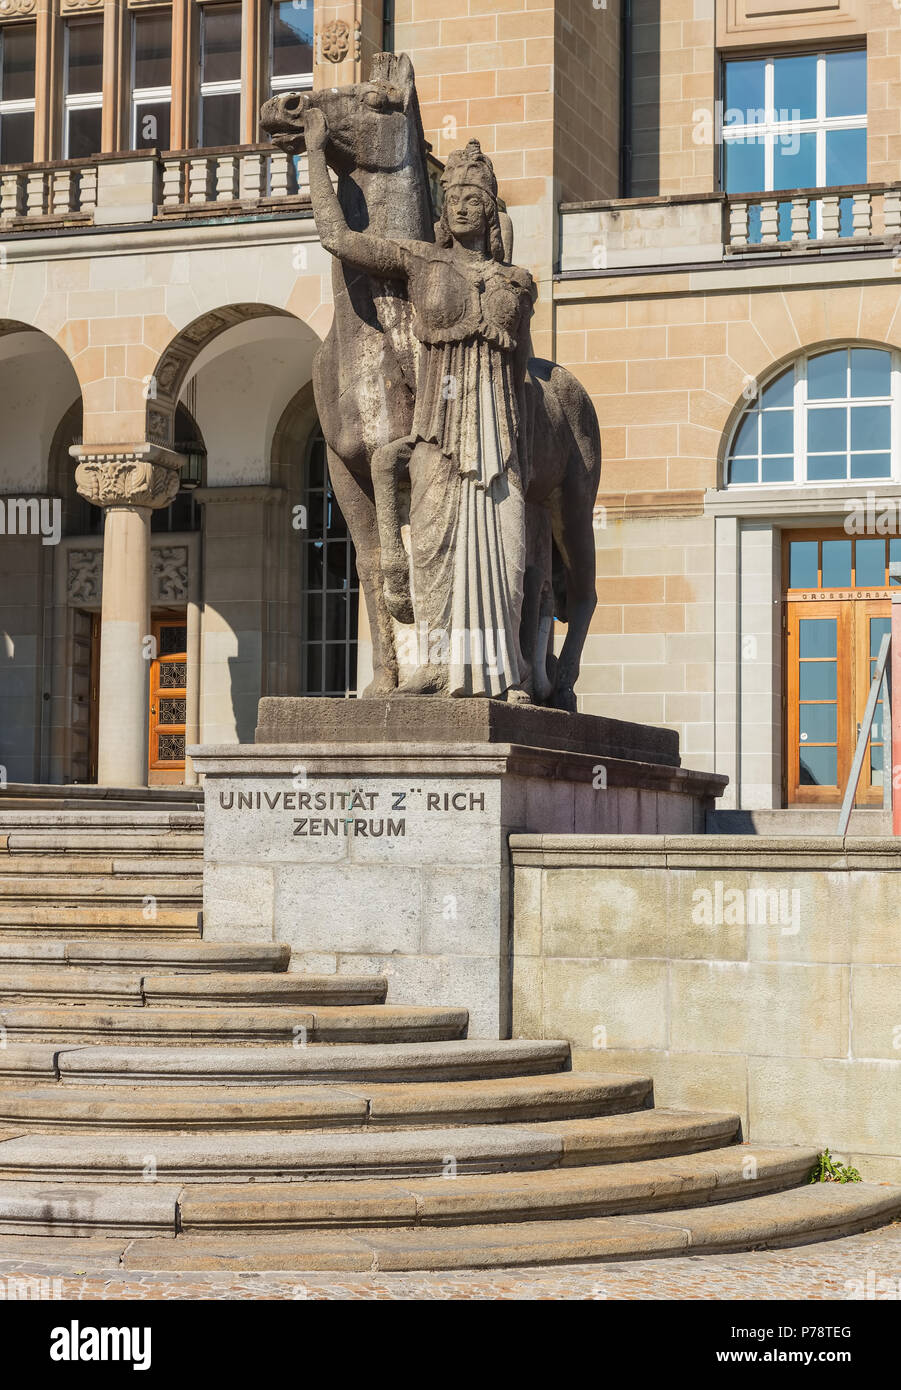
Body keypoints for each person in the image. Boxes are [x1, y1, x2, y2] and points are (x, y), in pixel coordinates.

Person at [305, 110, 537, 699]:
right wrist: (313, 156)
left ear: (489, 211)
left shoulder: (518, 283)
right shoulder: (419, 260)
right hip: (438, 427)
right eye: (453, 197)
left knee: (504, 555)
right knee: (436, 548)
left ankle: (507, 673)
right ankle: (437, 667)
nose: (461, 206)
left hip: (498, 435)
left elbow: (525, 369)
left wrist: (527, 450)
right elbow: (340, 241)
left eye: (473, 199)